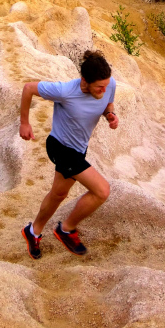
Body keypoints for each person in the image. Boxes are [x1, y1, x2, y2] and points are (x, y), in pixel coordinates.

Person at [20, 50, 118, 259]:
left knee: (58, 194)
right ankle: (66, 229)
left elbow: (106, 102)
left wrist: (110, 114)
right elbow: (28, 88)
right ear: (84, 81)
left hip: (79, 149)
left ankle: (33, 231)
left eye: (106, 85)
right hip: (60, 147)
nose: (104, 89)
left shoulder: (109, 85)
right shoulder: (65, 91)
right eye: (99, 87)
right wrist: (24, 123)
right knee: (102, 191)